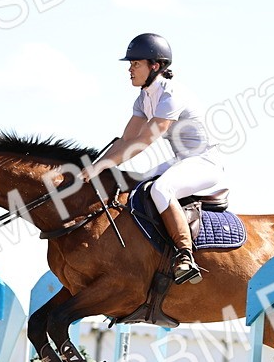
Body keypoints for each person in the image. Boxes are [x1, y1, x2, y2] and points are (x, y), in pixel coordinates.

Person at [79, 33, 226, 285]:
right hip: (181, 160)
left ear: (155, 66)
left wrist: (101, 166)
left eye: (136, 64)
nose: (130, 69)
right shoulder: (143, 98)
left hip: (204, 163)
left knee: (161, 189)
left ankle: (185, 256)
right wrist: (94, 166)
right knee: (131, 185)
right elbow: (126, 140)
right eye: (130, 64)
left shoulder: (171, 95)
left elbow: (144, 141)